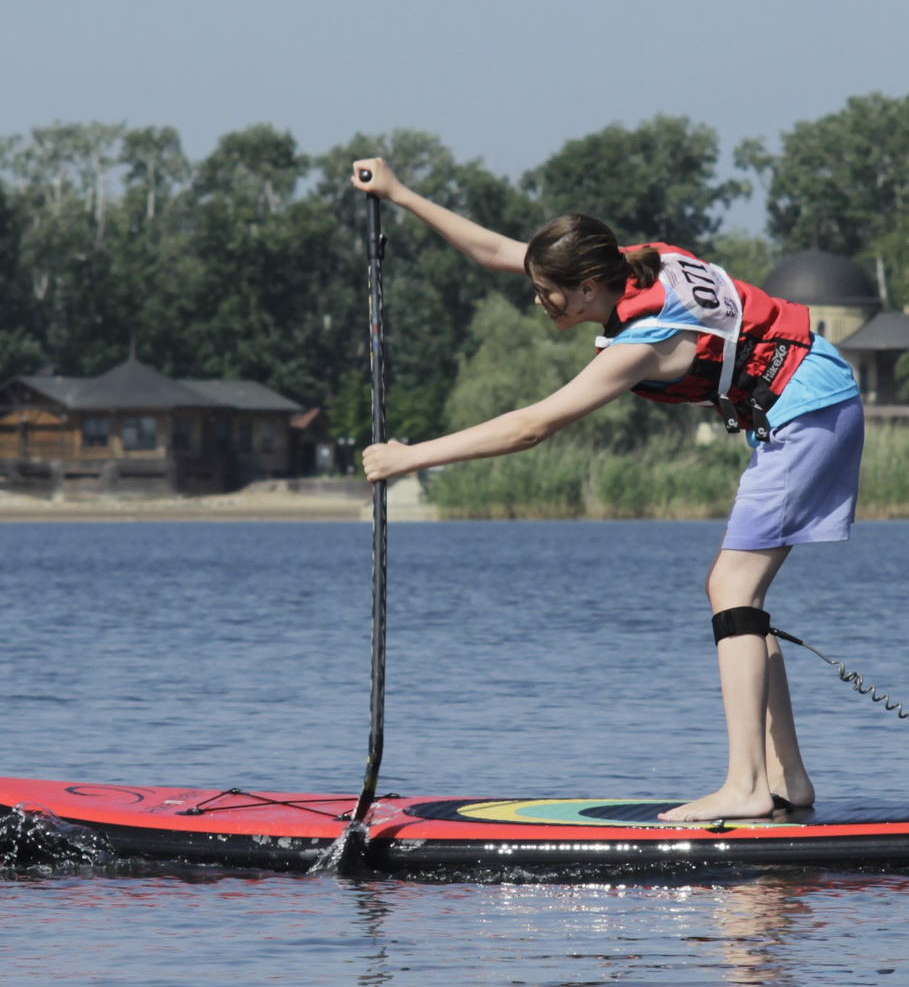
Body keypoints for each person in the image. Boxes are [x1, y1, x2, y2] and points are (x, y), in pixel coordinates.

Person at [351, 157, 865, 823]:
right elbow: (494, 252)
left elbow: (532, 426)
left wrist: (408, 456)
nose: (540, 303)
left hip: (806, 411)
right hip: (811, 400)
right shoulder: (634, 262)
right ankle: (785, 780)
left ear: (589, 286)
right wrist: (400, 194)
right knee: (743, 597)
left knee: (731, 590)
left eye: (548, 294)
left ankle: (745, 787)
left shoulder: (645, 341)